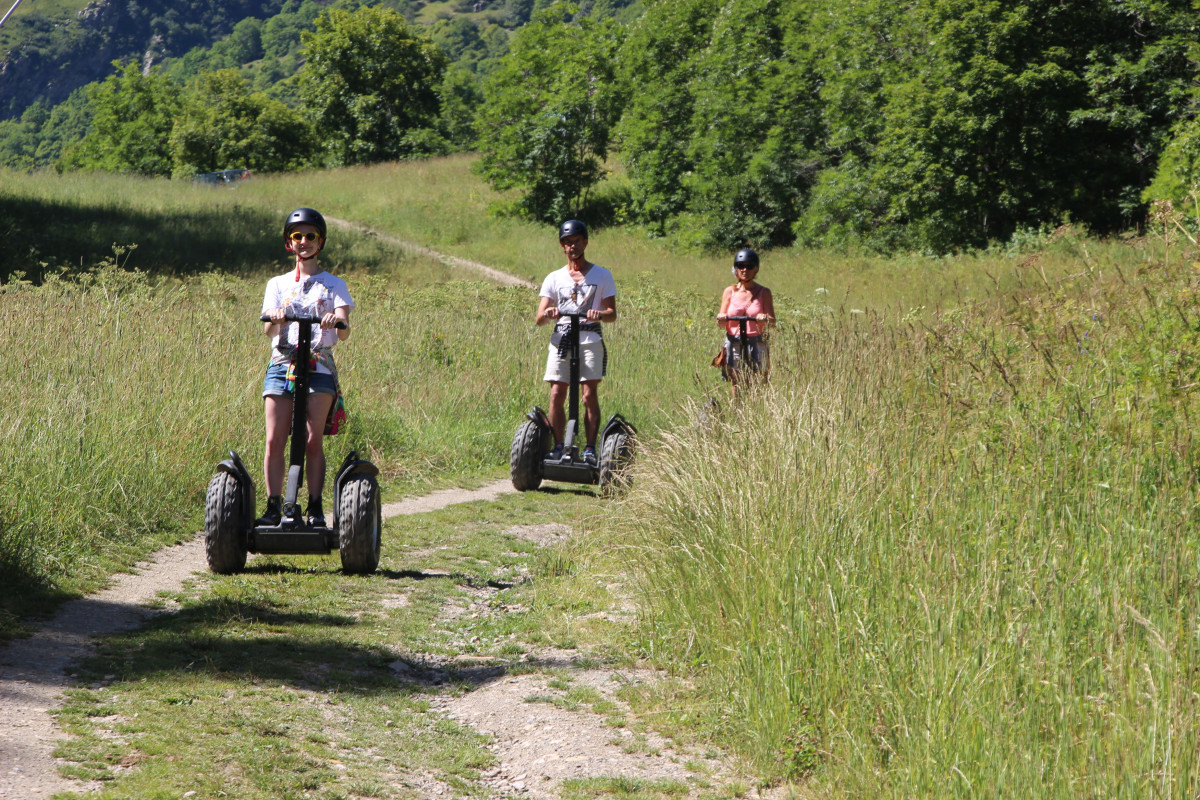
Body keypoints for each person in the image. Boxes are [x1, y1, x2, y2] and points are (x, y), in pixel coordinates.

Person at [257, 208, 354, 527]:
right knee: (275, 438)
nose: (303, 241)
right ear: (289, 243)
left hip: (318, 362)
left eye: (310, 236)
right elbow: (268, 331)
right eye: (296, 236)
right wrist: (276, 318)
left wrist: (334, 320)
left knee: (313, 439)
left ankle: (314, 507)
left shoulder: (333, 284)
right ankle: (274, 506)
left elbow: (344, 328)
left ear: (320, 241)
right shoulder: (277, 284)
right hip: (282, 361)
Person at [535, 219, 617, 466]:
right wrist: (549, 313)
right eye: (568, 242)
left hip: (589, 338)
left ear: (586, 242)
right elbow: (538, 318)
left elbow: (612, 313)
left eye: (577, 241)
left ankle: (590, 449)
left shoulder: (602, 275)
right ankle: (559, 445)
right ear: (562, 246)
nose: (573, 247)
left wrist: (599, 314)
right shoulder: (554, 277)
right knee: (556, 393)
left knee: (588, 394)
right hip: (561, 339)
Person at [716, 247, 774, 398]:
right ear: (735, 269)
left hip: (757, 341)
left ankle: (755, 409)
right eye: (740, 266)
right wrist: (721, 317)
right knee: (736, 380)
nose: (745, 269)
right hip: (734, 340)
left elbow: (772, 322)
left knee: (757, 380)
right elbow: (721, 322)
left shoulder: (764, 292)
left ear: (756, 269)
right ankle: (737, 410)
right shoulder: (729, 291)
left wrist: (764, 318)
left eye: (749, 266)